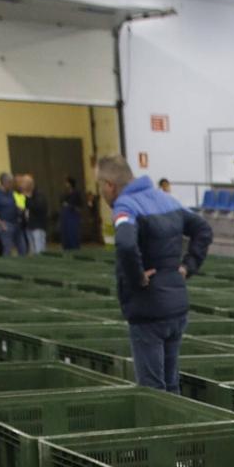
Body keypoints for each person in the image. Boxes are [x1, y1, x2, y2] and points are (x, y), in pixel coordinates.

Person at [96, 152, 213, 392]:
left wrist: (137, 277)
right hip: (176, 306)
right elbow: (203, 229)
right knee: (171, 383)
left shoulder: (126, 206)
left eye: (100, 186)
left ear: (110, 185)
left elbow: (126, 243)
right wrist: (188, 266)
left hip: (148, 309)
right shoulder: (167, 200)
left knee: (151, 389)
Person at [0, 173, 20, 257]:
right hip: (5, 224)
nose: (11, 184)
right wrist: (0, 223)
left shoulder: (12, 193)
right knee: (7, 248)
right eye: (10, 182)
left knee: (22, 247)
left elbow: (20, 205)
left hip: (16, 223)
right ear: (4, 182)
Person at [22, 175, 49, 255]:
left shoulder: (39, 195)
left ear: (30, 184)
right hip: (29, 226)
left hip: (38, 227)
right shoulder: (26, 196)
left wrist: (28, 198)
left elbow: (38, 208)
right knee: (33, 251)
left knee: (39, 250)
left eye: (24, 183)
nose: (22, 186)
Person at [58, 177, 83, 252]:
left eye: (67, 182)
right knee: (66, 233)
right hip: (66, 215)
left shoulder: (76, 193)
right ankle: (66, 247)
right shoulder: (65, 193)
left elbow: (79, 204)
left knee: (73, 233)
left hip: (73, 215)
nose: (66, 184)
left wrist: (70, 206)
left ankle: (75, 247)